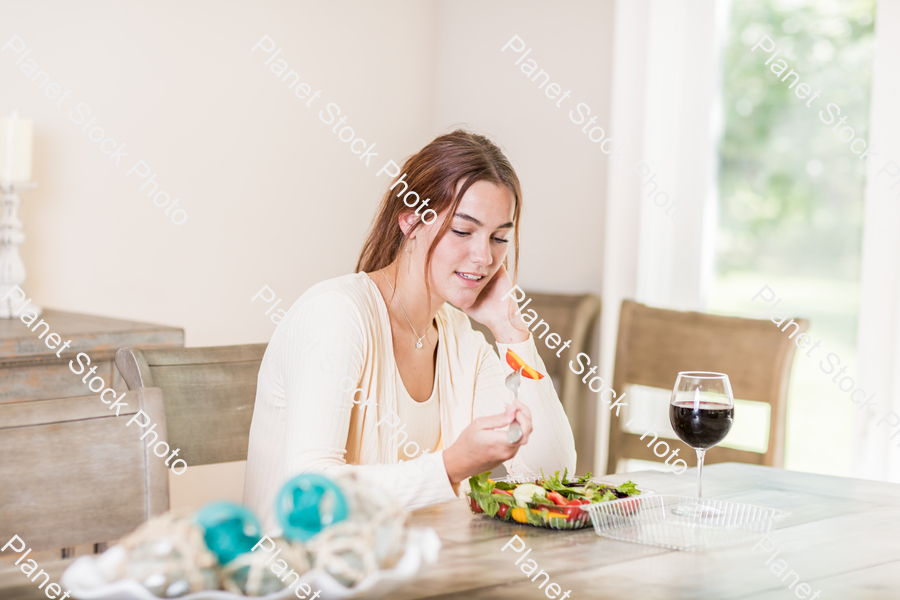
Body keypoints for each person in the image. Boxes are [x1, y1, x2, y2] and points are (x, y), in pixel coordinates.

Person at [243, 130, 576, 531]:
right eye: (462, 230)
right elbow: (308, 495)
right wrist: (451, 466)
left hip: (415, 577)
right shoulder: (337, 314)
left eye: (499, 237)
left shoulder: (458, 336)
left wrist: (510, 330)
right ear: (411, 220)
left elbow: (550, 471)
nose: (485, 256)